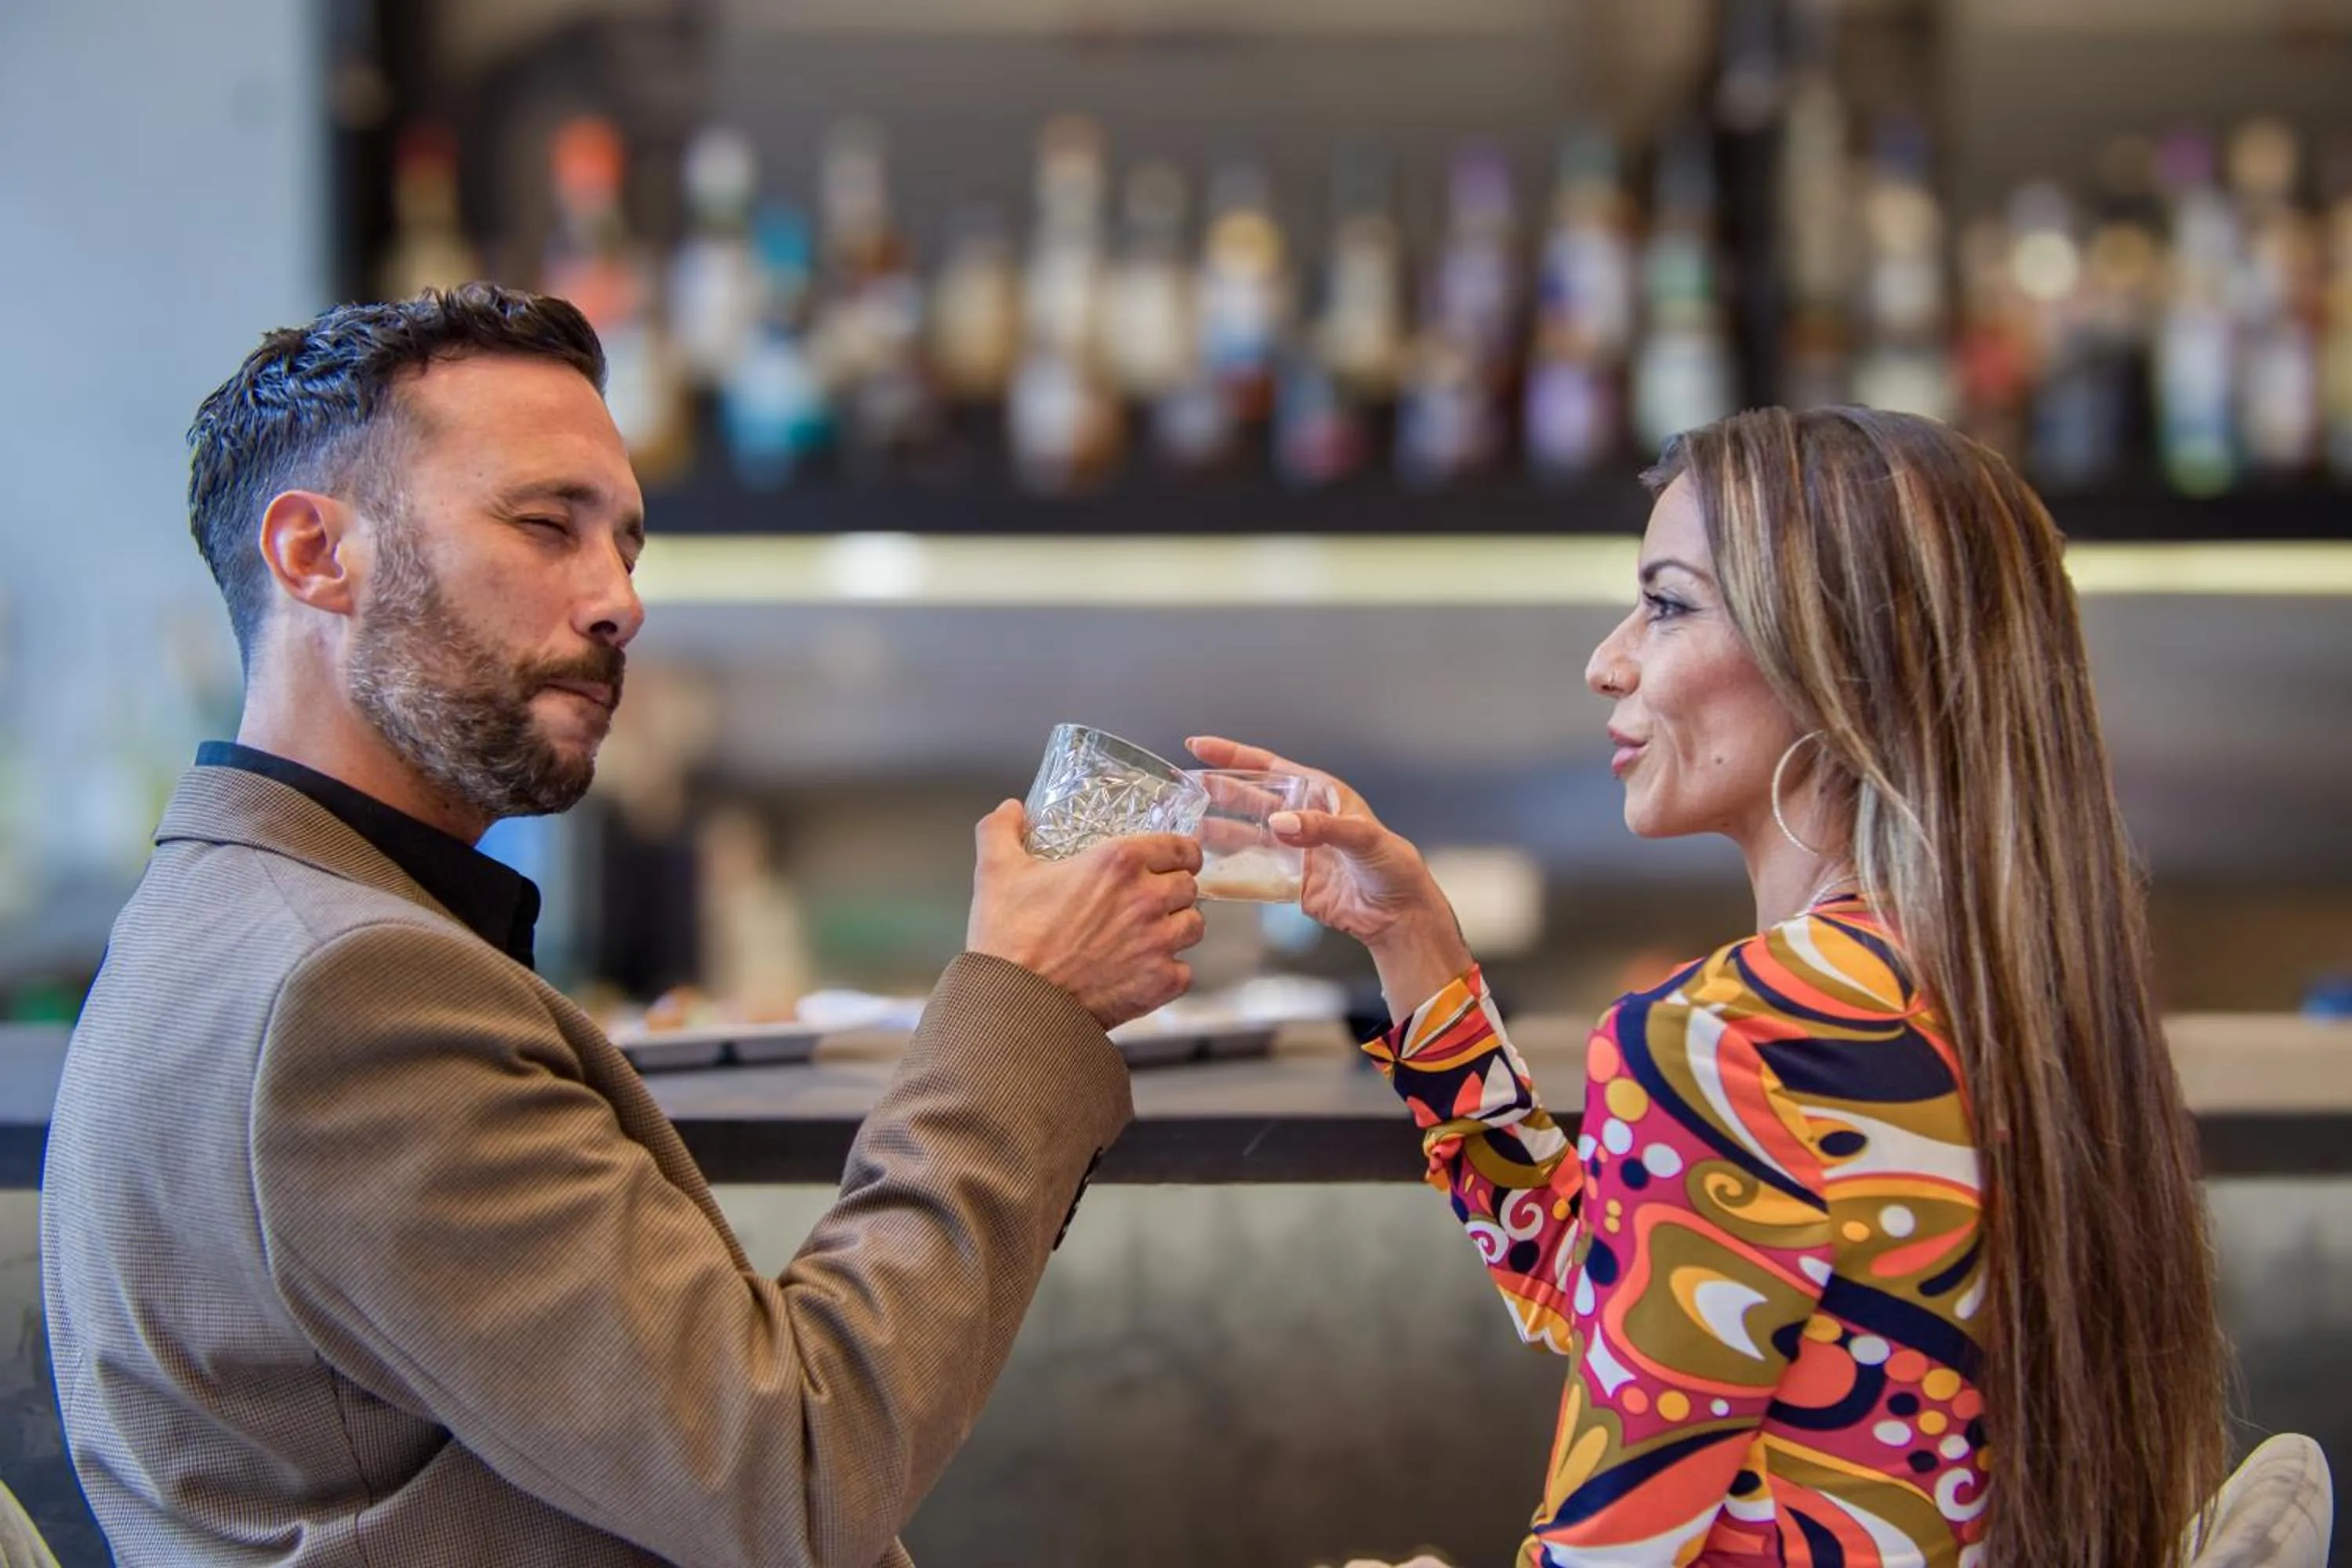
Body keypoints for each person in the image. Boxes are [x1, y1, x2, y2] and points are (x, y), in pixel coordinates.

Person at [41, 283, 1207, 1568]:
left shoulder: (236, 919)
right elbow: (795, 1473)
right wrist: (1021, 1000)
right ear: (317, 555)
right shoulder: (346, 992)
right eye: (548, 525)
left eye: (627, 549)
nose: (619, 602)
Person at [1196, 406, 2230, 1568]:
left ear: (1841, 660)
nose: (1609, 660)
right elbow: (1605, 1293)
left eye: (1669, 604)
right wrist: (1414, 941)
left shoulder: (1732, 1035)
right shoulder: (2024, 990)